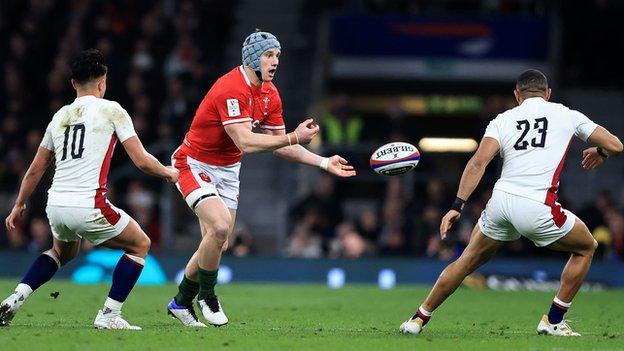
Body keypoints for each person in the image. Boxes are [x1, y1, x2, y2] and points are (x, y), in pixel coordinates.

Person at [399, 69, 623, 337]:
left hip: (501, 202)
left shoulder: (502, 120)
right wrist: (600, 151)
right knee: (587, 247)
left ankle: (417, 319)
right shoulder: (566, 114)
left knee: (468, 258)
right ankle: (552, 321)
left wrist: (456, 206)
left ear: (517, 95)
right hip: (537, 204)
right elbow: (616, 144)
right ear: (548, 93)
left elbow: (477, 163)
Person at [166, 30, 356, 327]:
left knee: (218, 241)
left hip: (228, 170)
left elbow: (282, 147)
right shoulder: (231, 88)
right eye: (269, 55)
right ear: (253, 57)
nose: (275, 61)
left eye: (278, 55)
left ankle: (180, 301)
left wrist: (322, 162)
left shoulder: (270, 93)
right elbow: (245, 141)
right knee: (219, 226)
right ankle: (207, 295)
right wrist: (295, 135)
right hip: (193, 163)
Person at [0, 49, 179, 330]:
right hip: (89, 204)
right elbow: (142, 160)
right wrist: (168, 172)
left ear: (72, 83)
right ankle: (109, 315)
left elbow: (36, 168)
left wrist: (19, 203)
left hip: (56, 205)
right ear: (102, 81)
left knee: (63, 253)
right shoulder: (112, 110)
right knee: (140, 244)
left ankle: (16, 296)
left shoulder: (59, 116)